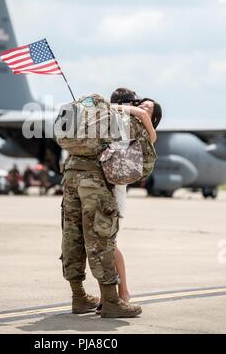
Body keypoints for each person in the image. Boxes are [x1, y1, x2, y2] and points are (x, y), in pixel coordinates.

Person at [61, 89, 147, 318]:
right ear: (127, 103)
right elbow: (146, 149)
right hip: (93, 181)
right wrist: (140, 113)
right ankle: (111, 301)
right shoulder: (120, 118)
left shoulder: (84, 117)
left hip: (70, 176)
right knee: (101, 239)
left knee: (73, 236)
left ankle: (78, 296)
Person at [96, 93, 162, 314]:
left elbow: (139, 113)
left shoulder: (148, 134)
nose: (142, 107)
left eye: (148, 107)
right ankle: (108, 297)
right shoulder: (123, 125)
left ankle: (123, 292)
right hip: (102, 188)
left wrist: (134, 110)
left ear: (153, 119)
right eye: (141, 103)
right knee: (99, 245)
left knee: (109, 244)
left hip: (116, 193)